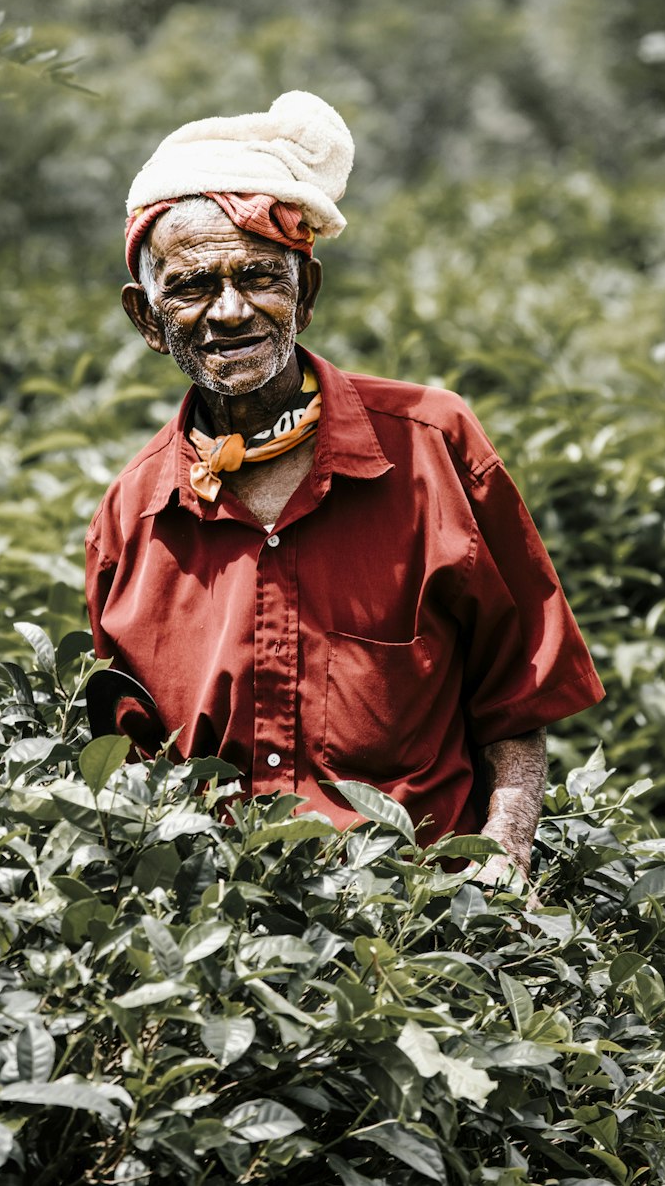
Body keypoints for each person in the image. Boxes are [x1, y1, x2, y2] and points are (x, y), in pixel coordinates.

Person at [85, 91, 603, 886]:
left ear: (307, 294)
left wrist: (505, 852)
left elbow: (515, 694)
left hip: (422, 920)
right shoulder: (133, 516)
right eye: (190, 287)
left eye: (260, 276)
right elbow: (127, 768)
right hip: (222, 935)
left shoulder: (434, 443)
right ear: (149, 321)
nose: (230, 310)